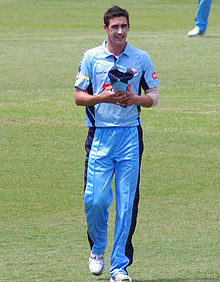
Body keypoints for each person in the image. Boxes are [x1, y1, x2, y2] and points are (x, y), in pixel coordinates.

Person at [74, 6, 160, 282]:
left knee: (126, 203)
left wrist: (134, 99)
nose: (120, 31)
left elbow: (154, 97)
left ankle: (119, 267)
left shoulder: (141, 58)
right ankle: (98, 249)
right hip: (99, 135)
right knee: (96, 200)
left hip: (130, 137)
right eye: (115, 27)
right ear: (105, 29)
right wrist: (103, 97)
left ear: (129, 27)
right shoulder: (91, 57)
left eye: (124, 26)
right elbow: (79, 97)